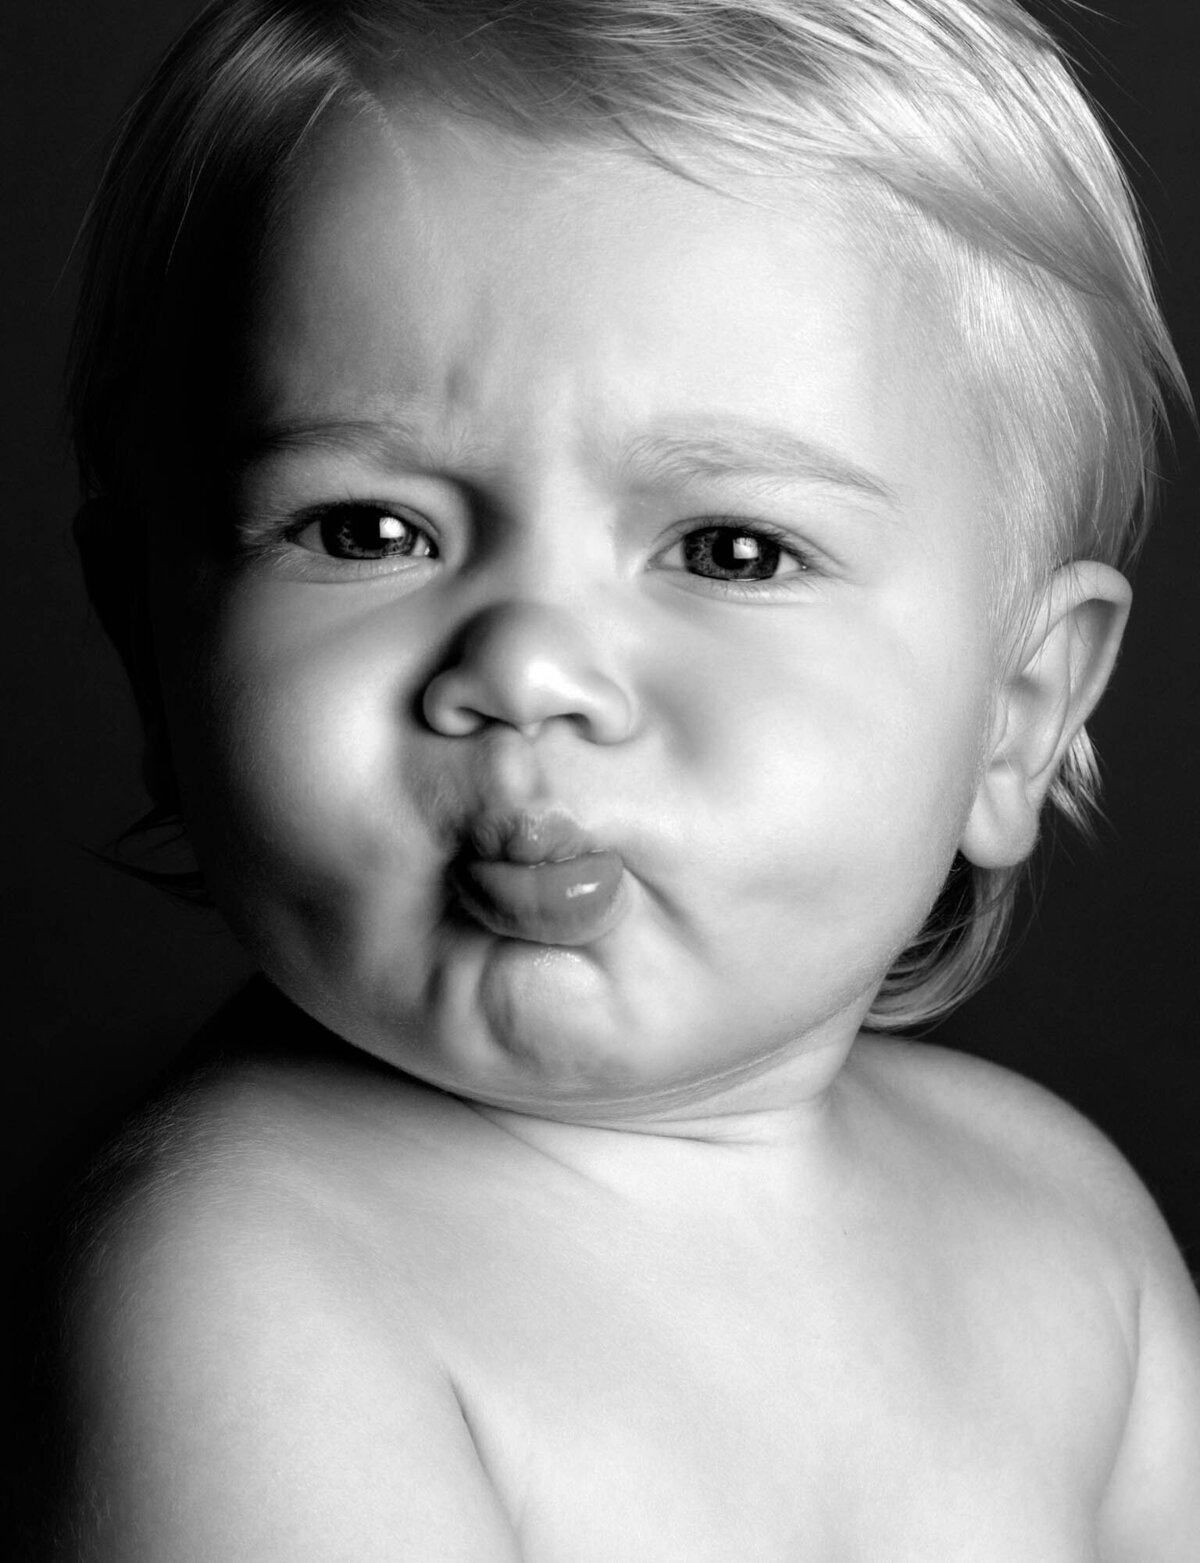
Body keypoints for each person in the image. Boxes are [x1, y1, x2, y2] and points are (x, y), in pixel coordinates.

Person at [46, 0, 1200, 1556]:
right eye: (366, 532)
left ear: (1017, 712)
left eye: (732, 550)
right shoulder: (246, 1282)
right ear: (150, 645)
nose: (525, 667)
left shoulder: (1064, 1217)